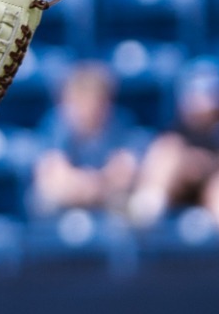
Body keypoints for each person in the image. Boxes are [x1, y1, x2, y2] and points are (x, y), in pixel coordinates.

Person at [128, 64, 219, 234]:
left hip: (217, 189)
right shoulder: (175, 131)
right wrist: (189, 164)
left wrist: (210, 164)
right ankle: (147, 209)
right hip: (178, 190)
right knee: (168, 155)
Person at [32, 63, 142, 217]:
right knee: (44, 198)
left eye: (97, 98)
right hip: (70, 195)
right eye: (82, 97)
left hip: (105, 197)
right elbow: (51, 173)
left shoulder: (121, 122)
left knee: (132, 204)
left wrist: (97, 185)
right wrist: (85, 185)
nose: (90, 106)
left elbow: (124, 172)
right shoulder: (57, 123)